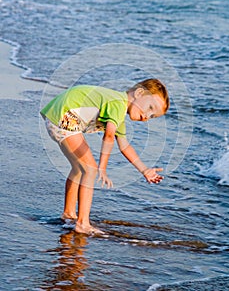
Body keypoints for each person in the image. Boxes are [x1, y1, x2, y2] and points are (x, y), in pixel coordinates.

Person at [40, 78, 169, 235]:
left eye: (152, 115)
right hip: (65, 115)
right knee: (90, 169)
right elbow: (108, 136)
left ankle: (68, 214)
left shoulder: (119, 112)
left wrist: (144, 170)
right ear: (139, 93)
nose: (147, 116)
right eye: (149, 108)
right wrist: (101, 167)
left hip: (58, 116)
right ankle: (82, 223)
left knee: (79, 169)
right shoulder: (118, 103)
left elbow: (124, 146)